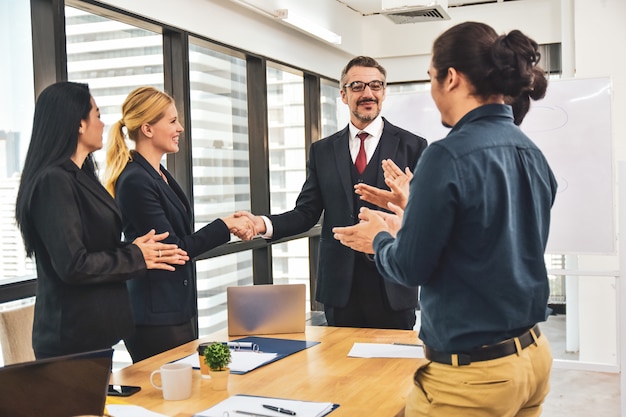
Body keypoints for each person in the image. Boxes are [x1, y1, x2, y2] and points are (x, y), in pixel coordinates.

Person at [333, 22, 556, 416]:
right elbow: (488, 242)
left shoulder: (447, 155)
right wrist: (411, 216)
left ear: (450, 78)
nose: (431, 92)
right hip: (531, 360)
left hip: (473, 375)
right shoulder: (530, 150)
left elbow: (409, 267)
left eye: (431, 79)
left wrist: (380, 239)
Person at [236, 56, 427, 330]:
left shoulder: (413, 146)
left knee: (393, 369)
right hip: (341, 288)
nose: (368, 93)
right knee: (339, 371)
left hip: (393, 284)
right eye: (358, 86)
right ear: (344, 95)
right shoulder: (323, 150)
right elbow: (306, 213)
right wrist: (261, 224)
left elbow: (423, 216)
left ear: (384, 92)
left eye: (375, 85)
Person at [14, 81, 188, 359]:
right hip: (69, 340)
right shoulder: (54, 181)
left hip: (92, 334)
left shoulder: (81, 176)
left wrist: (136, 250)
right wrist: (135, 256)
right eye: (96, 115)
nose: (103, 123)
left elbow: (94, 248)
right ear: (79, 124)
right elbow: (73, 264)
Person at [104, 86, 256, 362]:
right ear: (148, 129)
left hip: (174, 307)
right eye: (172, 121)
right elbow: (173, 248)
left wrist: (227, 224)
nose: (180, 128)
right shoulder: (136, 180)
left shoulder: (159, 173)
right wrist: (224, 225)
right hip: (153, 315)